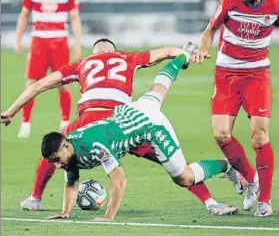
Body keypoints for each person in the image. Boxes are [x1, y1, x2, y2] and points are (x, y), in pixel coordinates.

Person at [1, 39, 243, 216]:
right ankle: (211, 201)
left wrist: (11, 111)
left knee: (55, 150)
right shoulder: (128, 58)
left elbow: (37, 86)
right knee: (179, 170)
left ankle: (35, 198)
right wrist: (184, 56)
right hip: (123, 123)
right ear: (114, 51)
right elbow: (168, 51)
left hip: (88, 120)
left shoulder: (82, 64)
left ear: (93, 53)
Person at [193, 0, 279, 217]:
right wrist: (204, 49)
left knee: (259, 136)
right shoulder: (229, 1)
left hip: (256, 75)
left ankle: (264, 200)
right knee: (221, 135)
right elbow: (210, 30)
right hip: (227, 74)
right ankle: (250, 179)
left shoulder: (274, 6)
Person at [15, 0, 82, 138]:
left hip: (60, 42)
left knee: (62, 83)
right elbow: (24, 15)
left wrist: (77, 43)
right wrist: (19, 39)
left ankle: (65, 122)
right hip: (39, 42)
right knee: (31, 84)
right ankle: (25, 123)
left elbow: (75, 18)